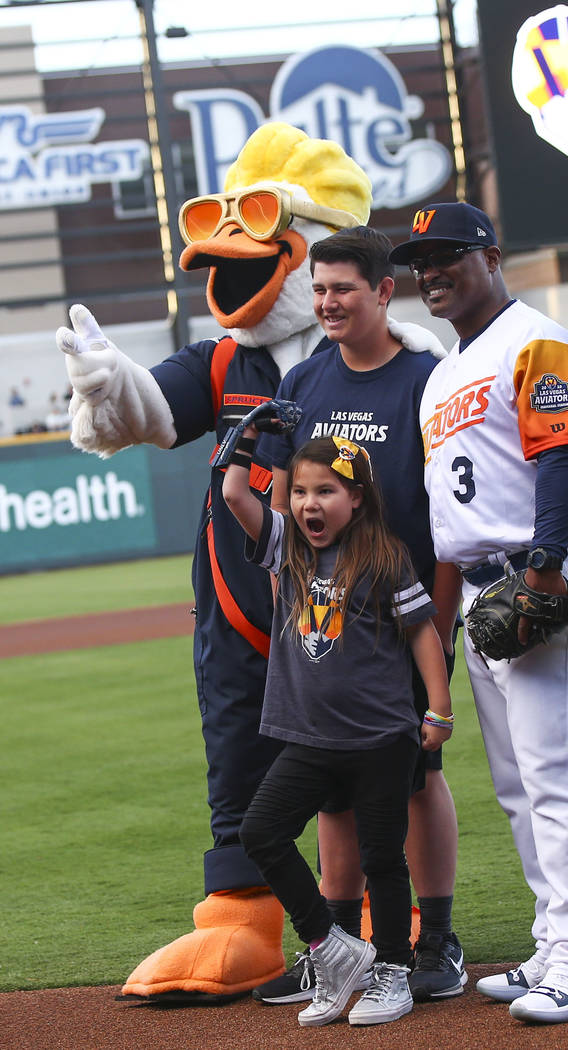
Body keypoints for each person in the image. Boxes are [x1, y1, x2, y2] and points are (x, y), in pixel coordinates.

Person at [54, 124, 377, 999]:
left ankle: (388, 913)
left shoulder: (373, 357)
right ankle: (243, 915)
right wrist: (104, 378)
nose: (232, 273)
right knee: (237, 752)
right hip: (235, 606)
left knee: (370, 761)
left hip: (351, 604)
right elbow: (147, 412)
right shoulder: (229, 359)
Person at [390, 201, 568, 1025]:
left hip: (538, 576)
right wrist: (441, 639)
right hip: (483, 589)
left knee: (554, 776)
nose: (431, 271)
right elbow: (449, 531)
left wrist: (548, 573)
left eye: (448, 253)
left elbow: (561, 456)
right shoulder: (445, 372)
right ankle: (556, 943)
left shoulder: (537, 340)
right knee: (520, 787)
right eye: (421, 260)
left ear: (492, 255)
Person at [253, 226, 466, 1005]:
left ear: (384, 291)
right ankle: (336, 947)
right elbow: (282, 499)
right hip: (325, 626)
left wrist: (436, 627)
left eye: (343, 287)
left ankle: (433, 938)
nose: (327, 302)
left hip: (406, 611)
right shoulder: (306, 381)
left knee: (417, 776)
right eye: (318, 290)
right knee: (333, 790)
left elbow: (447, 518)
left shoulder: (427, 379)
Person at [223, 432, 454, 1027]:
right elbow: (233, 496)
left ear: (356, 499)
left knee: (384, 859)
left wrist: (439, 708)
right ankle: (332, 948)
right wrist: (249, 446)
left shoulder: (382, 557)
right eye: (299, 492)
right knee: (262, 832)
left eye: (325, 491)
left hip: (380, 739)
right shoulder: (288, 550)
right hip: (309, 739)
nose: (309, 504)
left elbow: (422, 632)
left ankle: (395, 974)